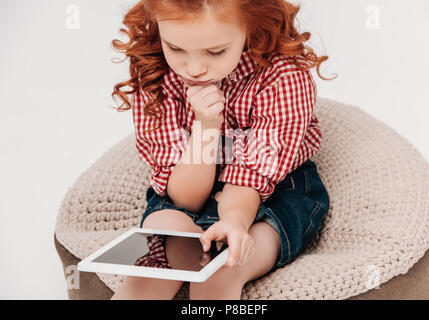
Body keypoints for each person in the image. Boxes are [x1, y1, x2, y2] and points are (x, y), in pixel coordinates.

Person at [110, 0, 333, 300]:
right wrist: (206, 127)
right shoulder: (154, 70)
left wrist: (235, 221)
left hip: (271, 190)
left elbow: (250, 179)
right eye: (175, 48)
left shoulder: (283, 77)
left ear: (251, 26)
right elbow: (184, 198)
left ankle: (227, 267)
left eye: (215, 52)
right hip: (189, 179)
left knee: (221, 271)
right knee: (159, 248)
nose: (194, 69)